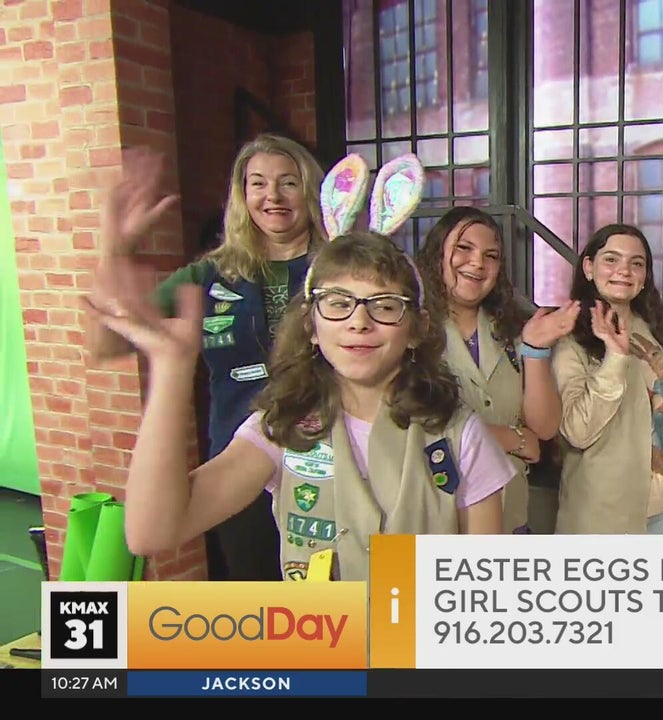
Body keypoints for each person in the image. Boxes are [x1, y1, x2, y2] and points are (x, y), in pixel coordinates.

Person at [86, 155, 513, 582]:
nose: (358, 321)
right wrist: (171, 370)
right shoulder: (282, 427)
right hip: (320, 626)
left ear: (417, 329)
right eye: (338, 303)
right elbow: (151, 533)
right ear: (311, 325)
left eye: (384, 306)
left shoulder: (460, 434)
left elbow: (484, 587)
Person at [84, 134, 328, 581]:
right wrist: (115, 251)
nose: (272, 195)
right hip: (237, 470)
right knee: (262, 604)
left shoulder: (337, 267)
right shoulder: (210, 273)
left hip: (327, 469)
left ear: (310, 190)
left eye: (288, 182)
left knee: (338, 605)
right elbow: (105, 344)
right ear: (241, 196)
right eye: (258, 183)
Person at [417, 206, 579, 533]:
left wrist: (535, 350)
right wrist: (511, 438)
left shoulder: (511, 330)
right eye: (464, 248)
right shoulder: (409, 332)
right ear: (436, 255)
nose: (478, 262)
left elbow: (545, 428)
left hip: (510, 517)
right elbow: (408, 428)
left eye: (490, 256)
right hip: (432, 522)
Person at [551, 224, 663, 535]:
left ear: (645, 276)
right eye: (611, 259)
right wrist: (615, 358)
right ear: (588, 267)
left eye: (636, 263)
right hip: (601, 515)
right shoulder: (571, 342)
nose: (624, 270)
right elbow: (577, 432)